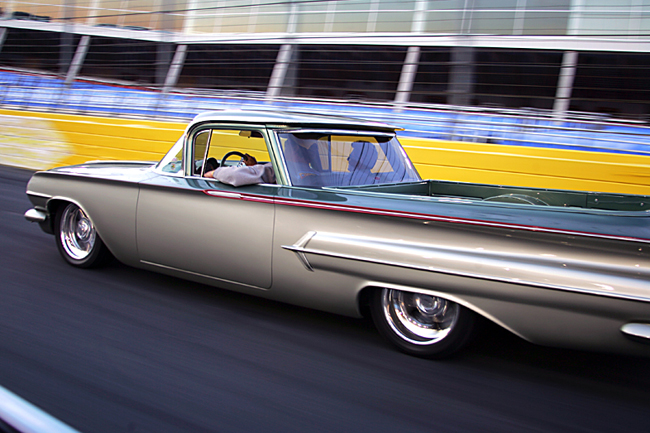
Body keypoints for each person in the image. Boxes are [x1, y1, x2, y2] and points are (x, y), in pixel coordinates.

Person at [204, 153, 275, 187]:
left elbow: (234, 175)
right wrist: (254, 166)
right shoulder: (281, 165)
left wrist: (213, 173)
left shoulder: (275, 169)